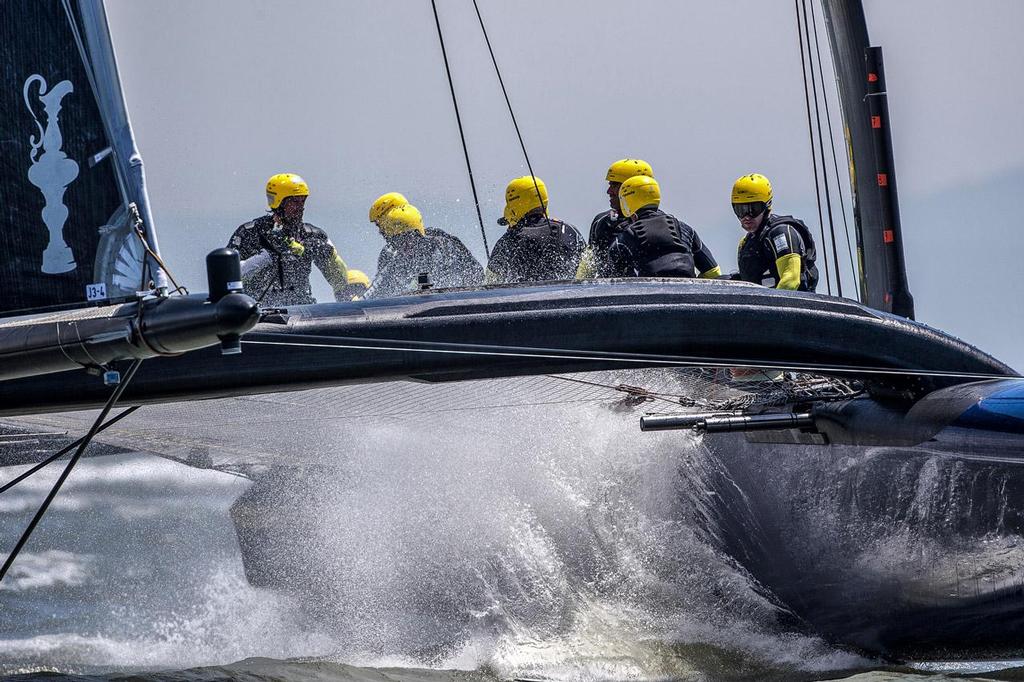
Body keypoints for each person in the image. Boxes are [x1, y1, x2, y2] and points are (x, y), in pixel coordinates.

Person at [228, 173, 349, 306]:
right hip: (258, 312)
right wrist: (267, 256)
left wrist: (329, 255)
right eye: (294, 202)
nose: (300, 207)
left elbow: (341, 282)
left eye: (302, 201)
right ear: (278, 202)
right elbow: (229, 278)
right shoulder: (249, 233)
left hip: (301, 310)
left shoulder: (314, 235)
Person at [600, 175, 721, 279]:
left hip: (649, 297)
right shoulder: (686, 229)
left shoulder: (625, 237)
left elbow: (608, 280)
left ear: (626, 204)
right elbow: (713, 272)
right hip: (688, 293)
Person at [367, 196, 483, 298]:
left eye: (406, 239)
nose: (404, 246)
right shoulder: (391, 256)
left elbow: (475, 277)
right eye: (396, 242)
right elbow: (377, 291)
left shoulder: (442, 247)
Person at [486, 176, 584, 284]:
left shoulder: (509, 240)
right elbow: (588, 270)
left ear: (514, 204)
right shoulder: (569, 230)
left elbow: (490, 283)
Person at [730, 173, 818, 291]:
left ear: (767, 205)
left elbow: (791, 280)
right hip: (757, 305)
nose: (746, 217)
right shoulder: (745, 243)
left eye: (753, 209)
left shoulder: (781, 233)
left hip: (791, 305)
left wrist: (767, 307)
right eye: (740, 210)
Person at [576, 158, 655, 278]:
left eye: (615, 185)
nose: (609, 191)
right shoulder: (601, 222)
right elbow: (588, 270)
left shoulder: (660, 224)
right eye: (610, 185)